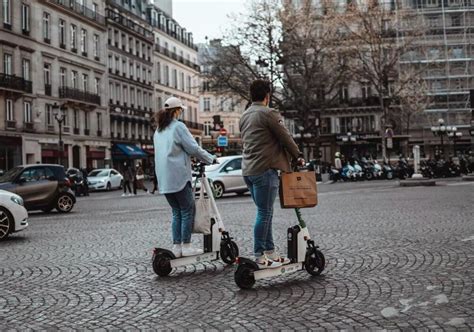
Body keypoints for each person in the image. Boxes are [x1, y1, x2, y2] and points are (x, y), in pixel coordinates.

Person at [239, 79, 303, 269]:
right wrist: (298, 155)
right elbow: (285, 137)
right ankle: (259, 254)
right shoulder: (268, 113)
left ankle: (270, 251)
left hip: (248, 171)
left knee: (265, 212)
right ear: (268, 96)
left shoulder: (245, 115)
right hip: (265, 170)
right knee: (265, 212)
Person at [154, 96, 215, 257]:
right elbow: (193, 148)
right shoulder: (178, 127)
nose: (181, 113)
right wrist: (210, 158)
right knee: (188, 210)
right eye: (181, 110)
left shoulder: (159, 129)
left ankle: (177, 246)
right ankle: (186, 246)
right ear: (177, 111)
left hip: (164, 178)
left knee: (176, 211)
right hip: (178, 176)